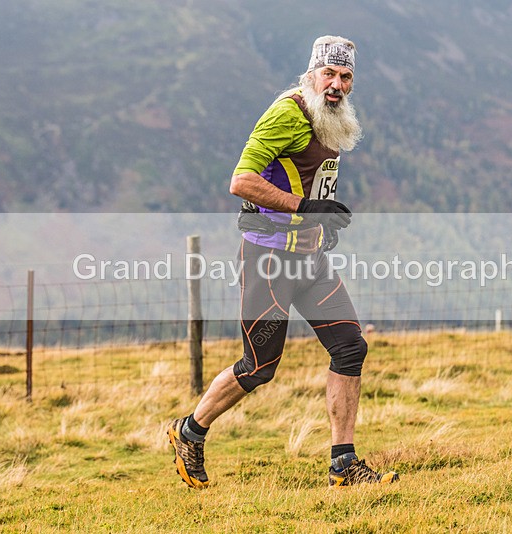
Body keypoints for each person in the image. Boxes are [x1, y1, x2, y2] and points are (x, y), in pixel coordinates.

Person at [168, 35, 398, 488]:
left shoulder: (332, 117)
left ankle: (343, 465)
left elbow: (313, 181)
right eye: (328, 74)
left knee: (351, 346)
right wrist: (306, 209)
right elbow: (242, 180)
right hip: (268, 259)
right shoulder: (286, 114)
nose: (336, 84)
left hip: (309, 259)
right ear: (311, 74)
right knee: (259, 366)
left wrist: (323, 220)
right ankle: (189, 432)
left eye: (345, 77)